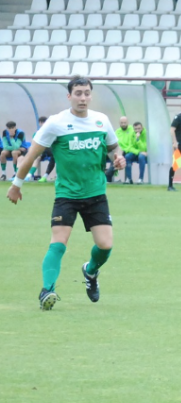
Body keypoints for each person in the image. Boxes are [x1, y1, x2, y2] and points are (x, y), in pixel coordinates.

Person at [5, 77, 125, 311]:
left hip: (96, 193)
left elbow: (113, 149)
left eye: (87, 93)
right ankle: (47, 290)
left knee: (105, 246)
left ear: (91, 95)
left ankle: (90, 272)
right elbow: (31, 156)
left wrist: (118, 158)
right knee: (58, 243)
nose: (83, 98)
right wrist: (16, 184)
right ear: (69, 96)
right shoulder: (56, 123)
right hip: (67, 195)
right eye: (78, 93)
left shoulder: (101, 121)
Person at [118, 119, 147, 185]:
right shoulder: (132, 133)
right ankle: (129, 179)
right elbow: (130, 146)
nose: (137, 130)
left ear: (142, 128)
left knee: (141, 157)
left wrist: (138, 139)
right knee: (127, 156)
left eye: (139, 129)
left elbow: (144, 148)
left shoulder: (145, 134)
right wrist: (138, 152)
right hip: (137, 152)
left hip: (144, 153)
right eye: (135, 129)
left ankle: (140, 179)